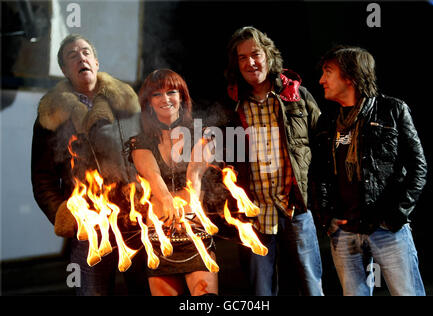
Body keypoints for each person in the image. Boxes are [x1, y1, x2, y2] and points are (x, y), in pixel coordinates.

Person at [31, 34, 149, 295]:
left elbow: (146, 156)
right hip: (88, 228)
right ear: (64, 70)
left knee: (145, 291)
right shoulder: (50, 118)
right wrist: (64, 214)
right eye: (72, 56)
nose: (81, 57)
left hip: (134, 221)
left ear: (96, 62)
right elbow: (42, 179)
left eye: (85, 52)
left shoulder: (128, 107)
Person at [313, 45, 427, 296]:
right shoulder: (328, 121)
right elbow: (319, 174)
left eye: (328, 72)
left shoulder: (393, 110)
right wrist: (327, 217)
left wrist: (396, 215)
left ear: (350, 77)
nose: (321, 80)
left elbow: (419, 167)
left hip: (386, 229)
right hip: (344, 231)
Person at [222, 26, 324, 296]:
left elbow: (324, 146)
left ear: (268, 55)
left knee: (310, 287)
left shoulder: (296, 96)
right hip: (256, 214)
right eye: (242, 58)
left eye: (255, 54)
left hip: (296, 207)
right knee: (261, 293)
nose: (250, 62)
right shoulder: (231, 105)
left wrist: (321, 198)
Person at [129, 69, 219, 296]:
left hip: (194, 233)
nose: (165, 99)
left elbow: (194, 176)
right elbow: (153, 178)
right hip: (158, 237)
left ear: (182, 98)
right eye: (157, 94)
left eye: (171, 92)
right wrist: (168, 202)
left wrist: (185, 213)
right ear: (148, 102)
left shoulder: (204, 134)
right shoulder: (139, 142)